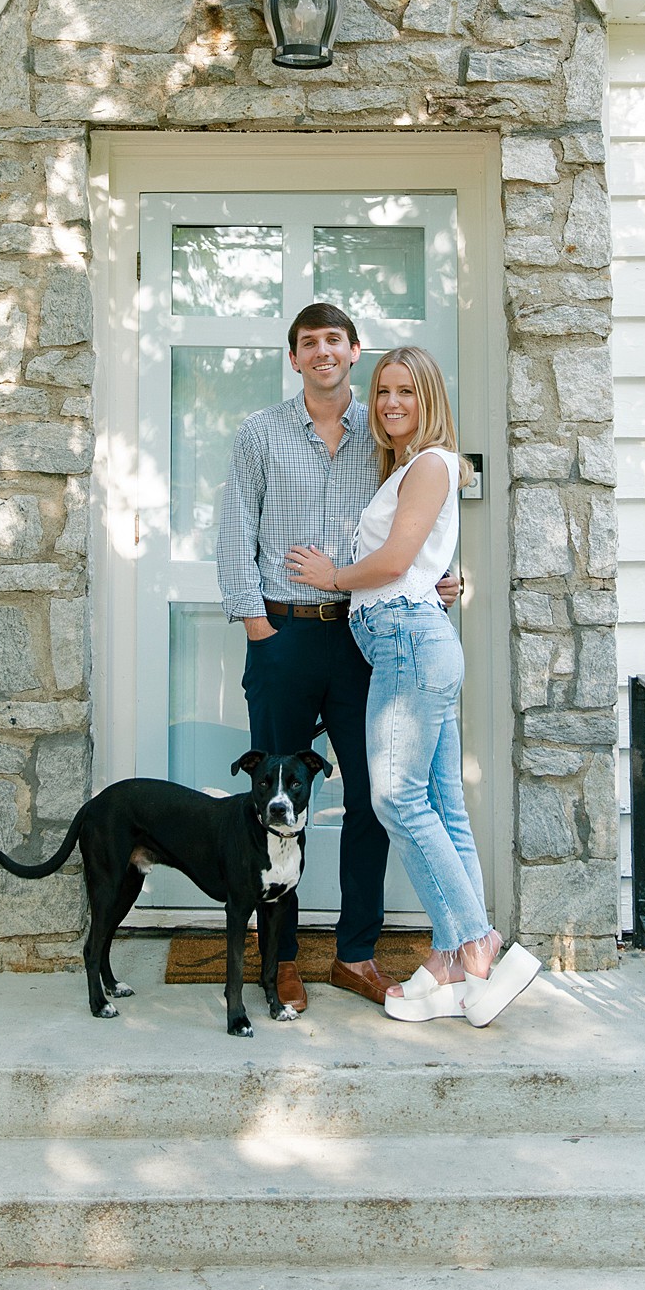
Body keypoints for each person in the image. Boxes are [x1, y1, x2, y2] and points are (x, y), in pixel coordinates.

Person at [287, 346, 540, 1028]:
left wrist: (331, 577)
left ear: (429, 398)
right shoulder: (409, 468)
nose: (391, 403)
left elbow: (396, 561)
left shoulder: (429, 464)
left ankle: (472, 941)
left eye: (405, 391)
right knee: (439, 802)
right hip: (415, 635)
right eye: (383, 392)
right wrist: (432, 582)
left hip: (405, 640)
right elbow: (419, 564)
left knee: (396, 796)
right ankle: (456, 956)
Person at [217, 302, 454, 1011]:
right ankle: (280, 959)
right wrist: (259, 626)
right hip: (283, 638)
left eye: (334, 341)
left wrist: (446, 581)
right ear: (294, 358)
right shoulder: (259, 434)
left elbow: (417, 523)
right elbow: (235, 534)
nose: (322, 352)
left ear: (355, 351)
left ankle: (356, 953)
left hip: (362, 641)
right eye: (307, 343)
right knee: (273, 804)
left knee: (374, 800)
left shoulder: (386, 437)